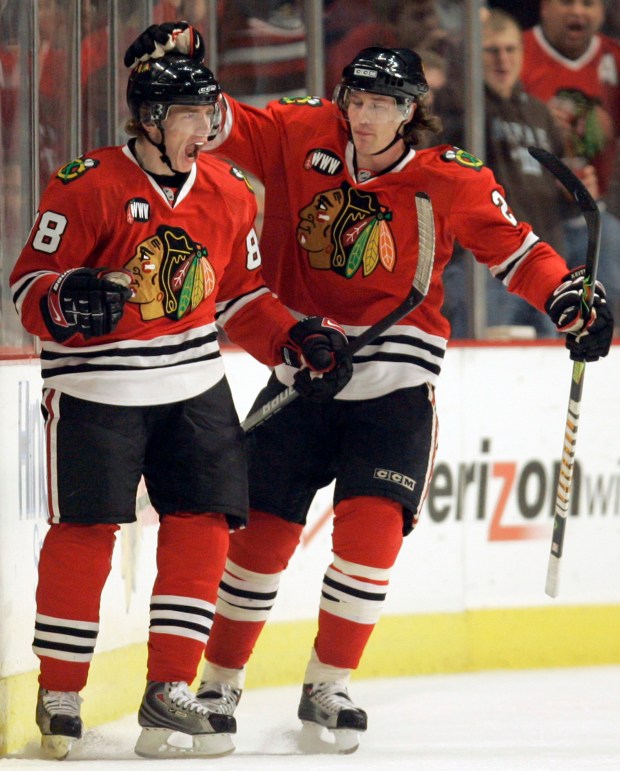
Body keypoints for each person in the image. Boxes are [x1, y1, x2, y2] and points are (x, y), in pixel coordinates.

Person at [124, 26, 614, 753]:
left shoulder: (452, 176)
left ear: (411, 108)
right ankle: (220, 681)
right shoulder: (299, 129)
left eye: (384, 103)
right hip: (305, 367)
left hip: (396, 378)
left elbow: (517, 252)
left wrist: (567, 299)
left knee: (371, 532)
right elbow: (215, 120)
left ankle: (329, 681)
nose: (365, 114)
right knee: (259, 536)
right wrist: (174, 65)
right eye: (357, 97)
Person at [9, 53, 351, 760]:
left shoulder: (230, 189)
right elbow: (26, 290)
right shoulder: (88, 185)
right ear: (152, 120)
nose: (208, 128)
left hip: (195, 386)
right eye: (193, 116)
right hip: (96, 388)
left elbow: (241, 297)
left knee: (204, 527)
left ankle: (170, 687)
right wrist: (66, 296)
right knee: (86, 528)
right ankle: (61, 690)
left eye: (210, 113)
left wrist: (293, 338)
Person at [521, 0, 620, 322]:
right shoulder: (512, 53)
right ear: (544, 7)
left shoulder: (615, 58)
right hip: (530, 217)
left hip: (596, 215)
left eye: (588, 3)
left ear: (603, 11)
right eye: (566, 2)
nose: (577, 12)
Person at [482, 9, 565, 336]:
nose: (502, 59)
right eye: (491, 50)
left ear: (521, 52)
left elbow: (559, 180)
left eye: (510, 49)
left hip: (544, 260)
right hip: (487, 268)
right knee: (488, 365)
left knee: (551, 365)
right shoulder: (461, 106)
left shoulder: (539, 112)